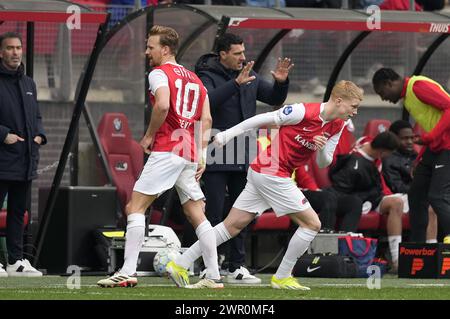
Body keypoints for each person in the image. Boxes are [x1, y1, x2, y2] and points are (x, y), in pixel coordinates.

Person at [167, 80, 363, 290]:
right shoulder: (302, 111)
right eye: (353, 106)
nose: (355, 112)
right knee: (312, 224)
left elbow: (324, 162)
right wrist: (227, 135)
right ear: (339, 100)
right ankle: (282, 276)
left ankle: (179, 264)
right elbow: (261, 119)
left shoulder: (338, 125)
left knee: (230, 226)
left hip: (265, 172)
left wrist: (321, 147)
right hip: (271, 172)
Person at [97, 25, 221, 288]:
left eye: (150, 47)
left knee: (135, 207)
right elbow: (207, 118)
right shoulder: (195, 79)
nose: (146, 52)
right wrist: (200, 154)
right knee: (197, 214)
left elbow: (163, 104)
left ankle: (128, 271)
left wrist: (149, 135)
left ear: (165, 50)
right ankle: (213, 275)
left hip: (168, 149)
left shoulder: (158, 73)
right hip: (188, 152)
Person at [191, 32, 293, 284]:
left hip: (243, 152)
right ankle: (208, 266)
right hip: (214, 150)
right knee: (213, 213)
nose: (243, 57)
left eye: (243, 52)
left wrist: (281, 83)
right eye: (237, 53)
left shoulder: (250, 74)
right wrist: (235, 83)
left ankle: (237, 266)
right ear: (222, 54)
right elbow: (207, 103)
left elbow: (273, 99)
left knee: (241, 213)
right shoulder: (205, 75)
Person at [372, 68, 450, 244]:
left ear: (389, 83)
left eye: (381, 92)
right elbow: (432, 124)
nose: (383, 98)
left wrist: (429, 138)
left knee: (437, 196)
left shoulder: (418, 86)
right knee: (416, 194)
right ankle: (417, 247)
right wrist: (419, 158)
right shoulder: (408, 98)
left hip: (447, 146)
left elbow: (449, 107)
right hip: (436, 147)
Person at [0, 32, 46, 277]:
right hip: (2, 158)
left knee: (18, 213)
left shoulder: (29, 83)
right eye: (10, 48)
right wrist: (3, 134)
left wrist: (39, 135)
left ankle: (15, 261)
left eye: (18, 47)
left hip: (25, 160)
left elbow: (36, 115)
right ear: (1, 52)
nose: (16, 52)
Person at [330, 132, 409, 271]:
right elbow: (344, 191)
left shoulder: (369, 144)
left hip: (373, 197)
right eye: (389, 153)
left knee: (399, 202)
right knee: (396, 202)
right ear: (382, 151)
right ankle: (396, 260)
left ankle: (398, 259)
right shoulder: (355, 164)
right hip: (361, 200)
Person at [382, 120, 438, 243]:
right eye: (405, 138)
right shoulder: (389, 159)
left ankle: (435, 249)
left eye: (412, 138)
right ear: (394, 138)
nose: (409, 142)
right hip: (400, 197)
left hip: (419, 196)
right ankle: (426, 249)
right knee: (429, 206)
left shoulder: (417, 156)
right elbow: (396, 186)